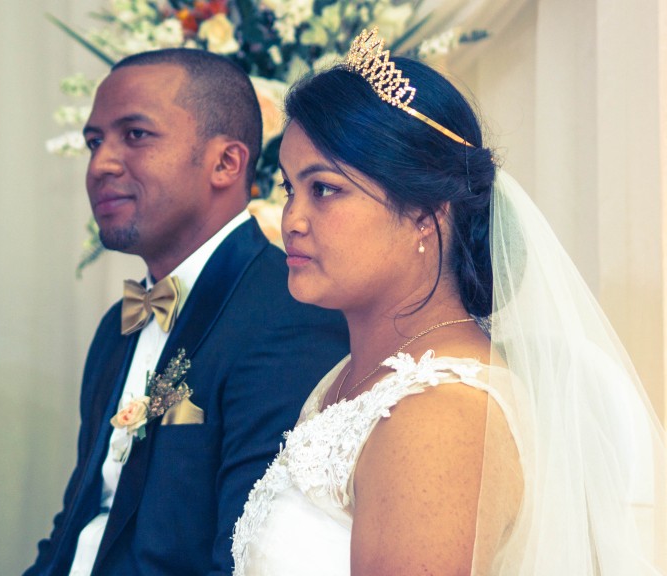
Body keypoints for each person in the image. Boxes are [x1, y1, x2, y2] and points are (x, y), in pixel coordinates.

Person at [231, 28, 667, 576]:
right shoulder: (356, 375)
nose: (291, 219)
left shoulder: (437, 416)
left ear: (425, 213)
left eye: (324, 189)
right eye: (289, 188)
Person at [24, 48, 350, 576]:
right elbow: (78, 527)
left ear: (225, 162)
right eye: (94, 141)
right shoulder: (119, 326)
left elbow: (245, 560)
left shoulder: (287, 317)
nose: (101, 163)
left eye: (135, 135)